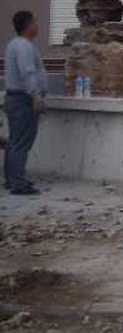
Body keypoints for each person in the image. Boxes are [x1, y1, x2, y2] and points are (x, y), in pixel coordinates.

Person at [3, 10, 47, 195]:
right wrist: (35, 94)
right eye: (34, 22)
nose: (37, 25)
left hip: (15, 98)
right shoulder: (24, 46)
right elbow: (27, 72)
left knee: (15, 141)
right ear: (28, 25)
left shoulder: (15, 44)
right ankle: (18, 183)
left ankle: (12, 179)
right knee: (21, 142)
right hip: (23, 99)